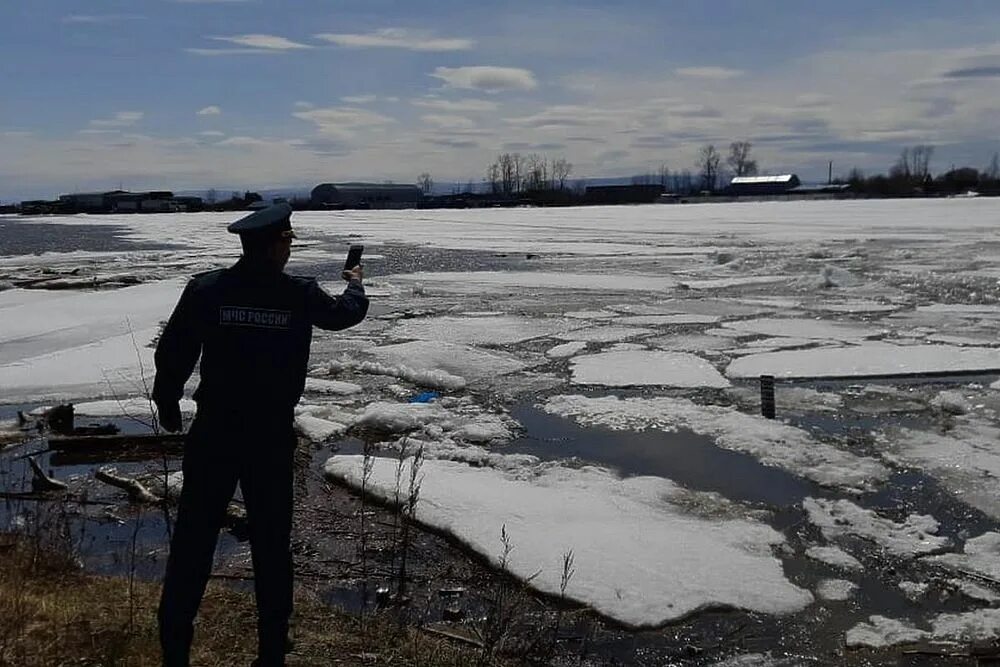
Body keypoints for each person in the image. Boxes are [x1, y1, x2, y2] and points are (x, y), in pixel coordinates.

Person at [152, 203, 368, 666]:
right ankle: (271, 650)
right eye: (287, 241)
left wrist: (167, 399)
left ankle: (174, 648)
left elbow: (176, 348)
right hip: (268, 439)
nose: (289, 248)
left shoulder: (208, 289)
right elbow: (343, 315)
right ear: (274, 246)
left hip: (214, 435)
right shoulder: (298, 293)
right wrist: (356, 283)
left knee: (193, 541)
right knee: (272, 544)